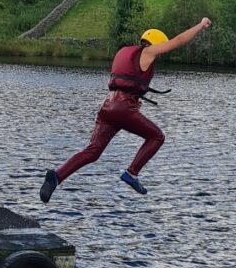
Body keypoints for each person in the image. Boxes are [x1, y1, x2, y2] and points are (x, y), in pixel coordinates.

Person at [40, 18, 211, 202]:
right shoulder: (149, 51)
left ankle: (57, 176)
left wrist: (134, 101)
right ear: (156, 44)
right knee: (157, 137)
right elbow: (178, 41)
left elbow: (125, 84)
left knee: (93, 151)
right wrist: (200, 25)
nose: (158, 56)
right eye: (160, 50)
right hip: (122, 109)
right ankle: (132, 173)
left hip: (107, 107)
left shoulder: (123, 52)